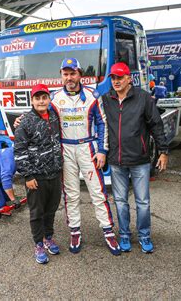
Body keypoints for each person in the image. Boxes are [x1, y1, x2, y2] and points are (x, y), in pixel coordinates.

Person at [51, 58, 120, 256]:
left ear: (80, 74)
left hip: (87, 148)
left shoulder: (92, 95)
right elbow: (40, 115)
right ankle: (75, 231)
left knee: (98, 192)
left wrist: (102, 150)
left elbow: (102, 123)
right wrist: (23, 118)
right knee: (71, 195)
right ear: (61, 75)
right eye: (65, 74)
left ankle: (108, 232)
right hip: (66, 149)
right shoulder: (54, 98)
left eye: (73, 73)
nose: (69, 78)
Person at [102, 62, 169, 254]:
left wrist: (163, 151)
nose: (116, 81)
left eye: (120, 77)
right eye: (113, 78)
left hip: (140, 160)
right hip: (116, 160)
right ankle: (124, 235)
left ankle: (144, 235)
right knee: (120, 201)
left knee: (143, 202)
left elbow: (156, 125)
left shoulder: (144, 98)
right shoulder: (106, 99)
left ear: (129, 78)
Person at [14, 83, 63, 264]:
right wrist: (27, 176)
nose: (41, 101)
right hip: (36, 177)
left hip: (54, 173)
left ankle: (48, 238)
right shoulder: (25, 121)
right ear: (32, 100)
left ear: (49, 99)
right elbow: (19, 151)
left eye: (44, 97)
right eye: (37, 98)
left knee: (51, 210)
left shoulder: (54, 116)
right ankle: (38, 244)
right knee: (37, 212)